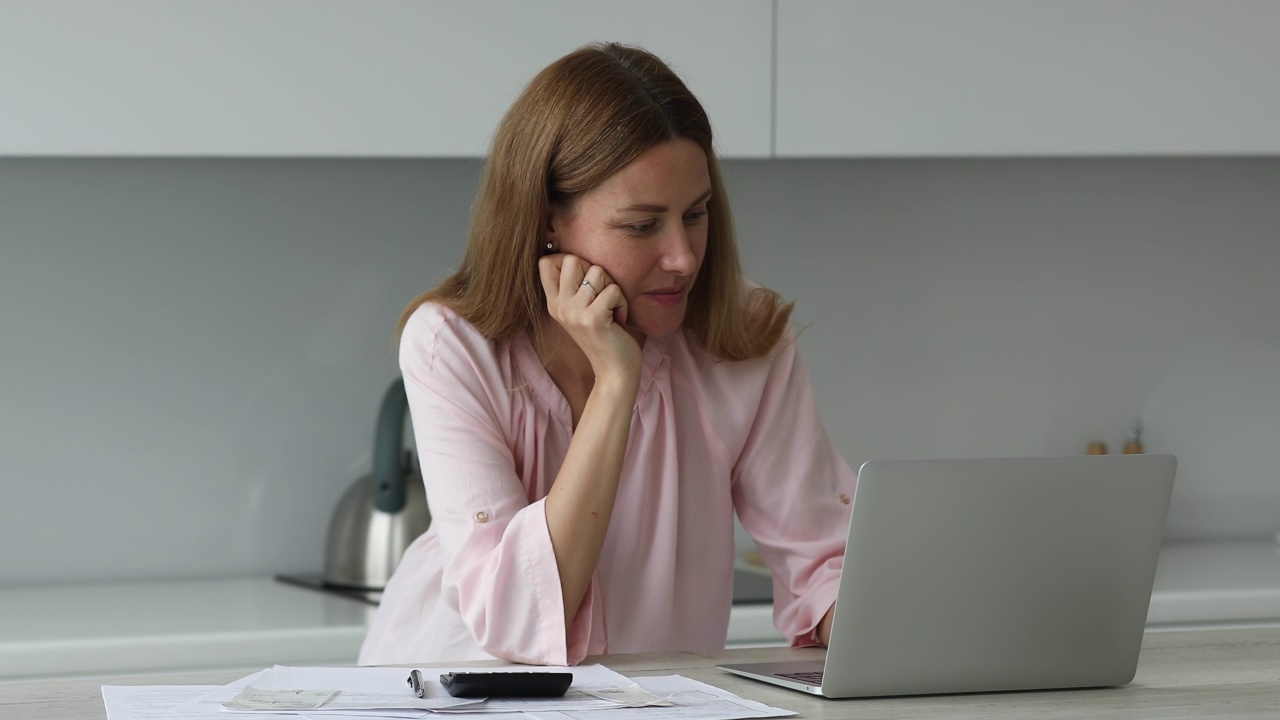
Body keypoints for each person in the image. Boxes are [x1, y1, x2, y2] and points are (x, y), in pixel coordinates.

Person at [358, 42, 855, 667]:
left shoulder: (742, 336)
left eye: (695, 214)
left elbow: (825, 561)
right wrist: (617, 380)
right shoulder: (451, 345)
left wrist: (886, 625)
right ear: (547, 219)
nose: (683, 257)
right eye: (642, 226)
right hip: (455, 694)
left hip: (660, 706)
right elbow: (516, 617)